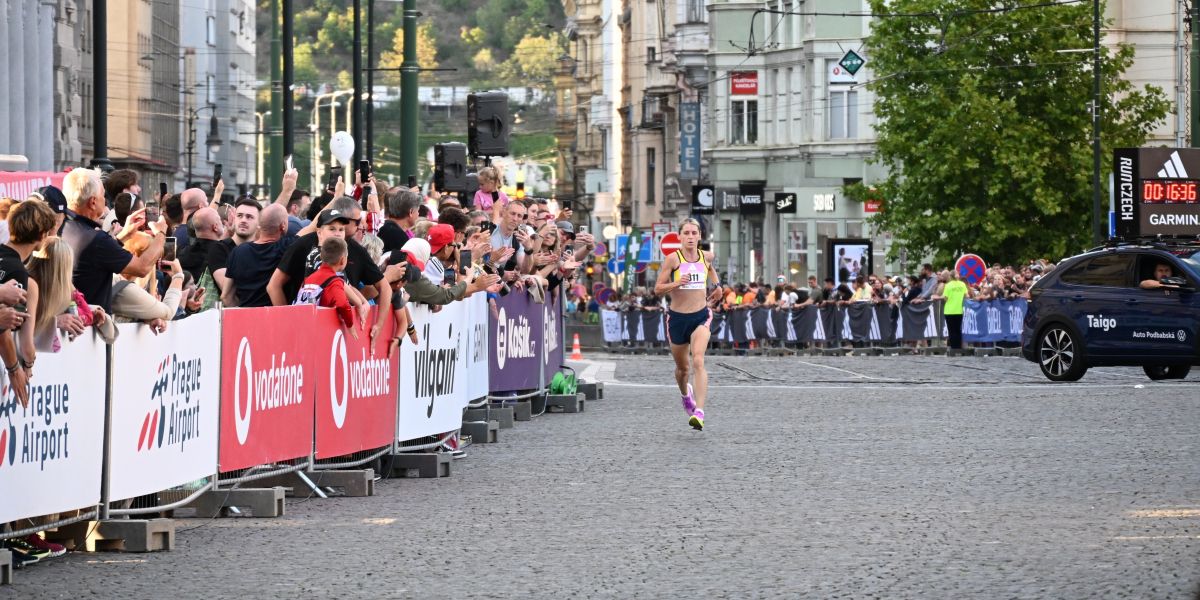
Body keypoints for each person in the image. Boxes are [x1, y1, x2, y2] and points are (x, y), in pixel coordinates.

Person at [60, 167, 165, 311]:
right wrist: (161, 233)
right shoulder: (94, 239)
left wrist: (123, 236)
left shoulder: (60, 226)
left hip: (71, 317)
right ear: (93, 202)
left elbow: (95, 256)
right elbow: (142, 267)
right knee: (165, 311)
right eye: (104, 196)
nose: (106, 201)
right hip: (90, 325)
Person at [653, 219, 723, 431]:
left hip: (701, 316)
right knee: (683, 369)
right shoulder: (673, 259)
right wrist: (677, 282)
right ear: (680, 237)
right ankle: (685, 395)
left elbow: (709, 268)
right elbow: (658, 289)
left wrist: (718, 286)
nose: (691, 237)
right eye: (686, 233)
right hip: (677, 318)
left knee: (698, 361)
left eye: (694, 233)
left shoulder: (706, 255)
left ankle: (699, 412)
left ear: (700, 236)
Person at [225, 205, 300, 307]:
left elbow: (226, 296)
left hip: (246, 318)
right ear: (283, 225)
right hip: (276, 318)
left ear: (259, 225)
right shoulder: (287, 247)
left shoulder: (237, 251)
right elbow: (313, 227)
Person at [302, 237, 360, 337]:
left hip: (306, 327)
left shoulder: (309, 278)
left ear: (321, 256)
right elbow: (343, 304)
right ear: (343, 260)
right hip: (320, 332)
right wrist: (350, 326)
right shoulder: (335, 281)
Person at [943, 271, 970, 350]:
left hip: (949, 310)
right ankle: (958, 346)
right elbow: (966, 296)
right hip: (959, 310)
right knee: (958, 329)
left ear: (950, 277)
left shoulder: (948, 285)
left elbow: (945, 298)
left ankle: (953, 347)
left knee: (951, 330)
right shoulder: (962, 284)